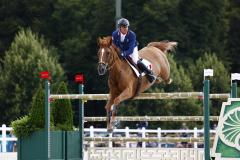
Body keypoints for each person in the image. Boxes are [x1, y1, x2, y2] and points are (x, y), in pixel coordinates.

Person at [112, 18, 156, 83]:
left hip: (132, 48)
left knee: (135, 60)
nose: (126, 28)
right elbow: (114, 45)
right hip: (121, 49)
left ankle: (149, 73)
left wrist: (123, 54)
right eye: (124, 27)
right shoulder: (114, 34)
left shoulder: (132, 35)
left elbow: (131, 50)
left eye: (127, 26)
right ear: (120, 27)